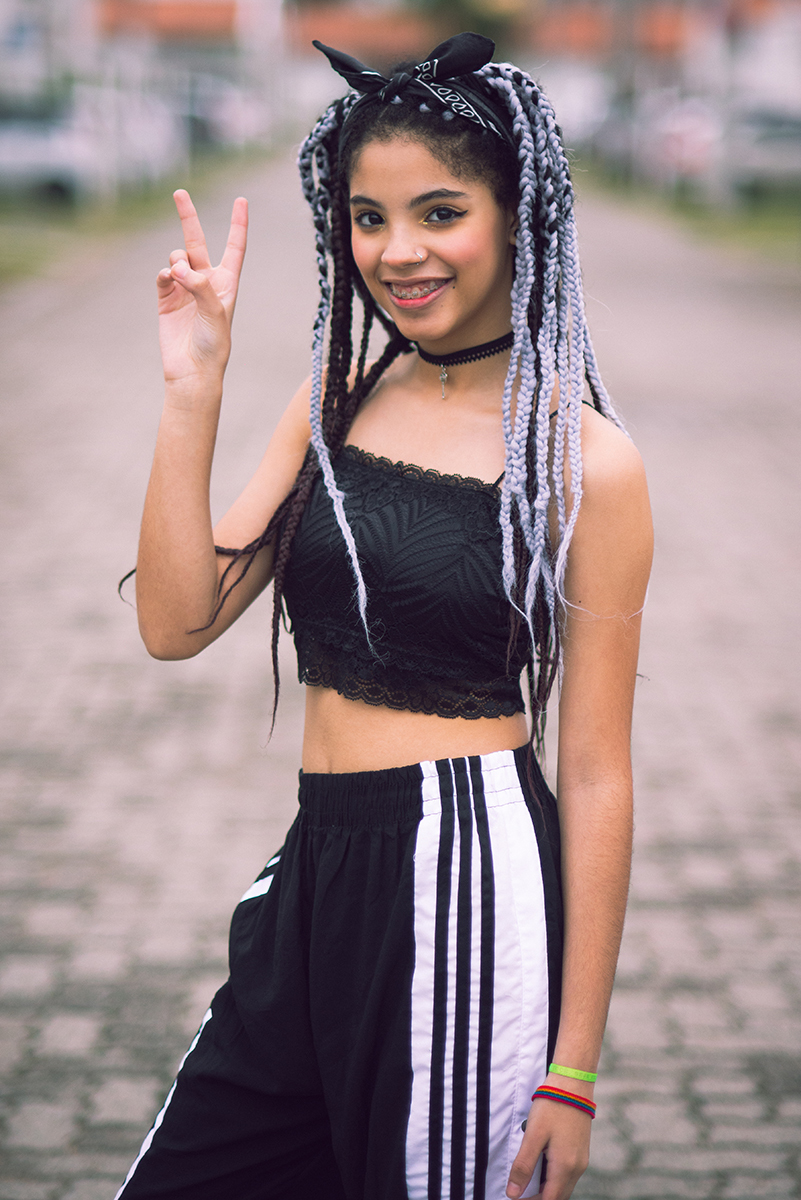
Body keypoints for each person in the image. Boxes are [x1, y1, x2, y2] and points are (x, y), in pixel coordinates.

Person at [116, 31, 652, 1200]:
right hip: (320, 867)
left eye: (439, 212)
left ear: (519, 217)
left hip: (463, 875)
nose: (397, 253)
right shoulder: (335, 395)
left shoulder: (584, 461)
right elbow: (174, 620)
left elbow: (600, 773)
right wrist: (191, 386)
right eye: (368, 218)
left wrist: (573, 1068)